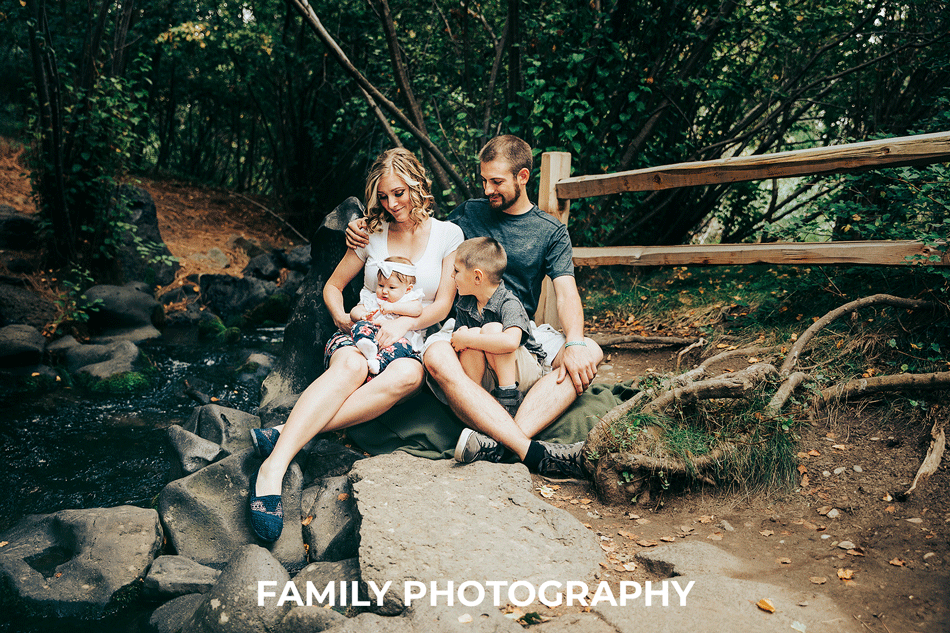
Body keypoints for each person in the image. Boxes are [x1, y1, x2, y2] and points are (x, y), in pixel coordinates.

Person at [346, 135, 603, 479]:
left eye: (496, 182)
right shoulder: (469, 213)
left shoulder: (551, 231)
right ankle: (526, 448)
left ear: (522, 177)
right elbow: (418, 226)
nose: (487, 189)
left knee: (589, 350)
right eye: (483, 180)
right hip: (464, 325)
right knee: (436, 356)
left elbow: (567, 293)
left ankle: (503, 442)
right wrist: (366, 226)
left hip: (519, 328)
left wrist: (574, 341)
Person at [248, 148, 463, 542]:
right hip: (360, 331)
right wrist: (342, 316)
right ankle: (273, 468)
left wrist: (404, 323)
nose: (391, 204)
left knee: (408, 375)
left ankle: (289, 431)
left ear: (417, 184)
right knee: (351, 366)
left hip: (409, 340)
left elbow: (442, 305)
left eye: (399, 193)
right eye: (383, 196)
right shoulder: (370, 232)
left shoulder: (449, 235)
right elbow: (333, 287)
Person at [450, 237, 541, 419]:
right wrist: (464, 338)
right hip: (490, 374)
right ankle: (475, 400)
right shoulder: (465, 304)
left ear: (477, 277)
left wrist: (467, 338)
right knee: (471, 334)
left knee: (489, 330)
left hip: (523, 372)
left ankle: (509, 400)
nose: (452, 275)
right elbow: (459, 344)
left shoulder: (509, 303)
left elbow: (511, 342)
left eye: (456, 270)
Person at [350, 255, 424, 374]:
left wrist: (393, 307)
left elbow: (418, 309)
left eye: (392, 287)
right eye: (381, 285)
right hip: (373, 335)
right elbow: (354, 311)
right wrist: (362, 315)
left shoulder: (408, 299)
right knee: (358, 326)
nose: (384, 291)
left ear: (408, 289)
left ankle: (379, 363)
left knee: (402, 347)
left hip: (398, 339)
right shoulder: (374, 299)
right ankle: (367, 345)